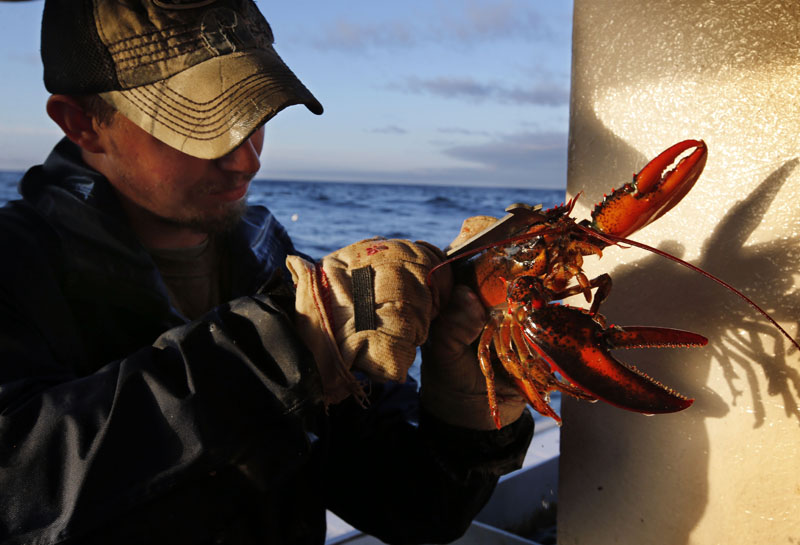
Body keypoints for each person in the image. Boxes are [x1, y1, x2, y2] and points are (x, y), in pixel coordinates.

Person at [0, 1, 534, 544]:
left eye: (254, 115)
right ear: (82, 122)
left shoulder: (265, 256)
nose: (246, 159)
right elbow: (17, 483)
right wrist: (277, 348)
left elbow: (411, 509)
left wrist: (466, 416)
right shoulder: (14, 267)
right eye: (200, 125)